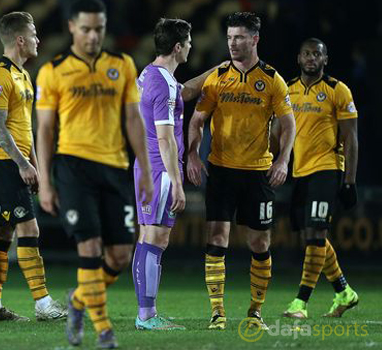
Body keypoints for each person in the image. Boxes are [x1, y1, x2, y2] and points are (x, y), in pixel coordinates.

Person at [36, 0, 153, 347]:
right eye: (86, 29)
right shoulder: (53, 71)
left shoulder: (122, 66)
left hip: (115, 168)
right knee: (89, 246)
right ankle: (103, 330)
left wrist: (145, 170)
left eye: (98, 29)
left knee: (120, 255)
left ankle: (77, 300)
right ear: (71, 27)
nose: (92, 36)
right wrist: (45, 181)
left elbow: (134, 119)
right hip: (73, 166)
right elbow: (44, 129)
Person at [187, 12, 296, 330]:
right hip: (221, 170)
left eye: (239, 38)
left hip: (258, 173)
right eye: (230, 37)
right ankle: (218, 312)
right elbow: (197, 120)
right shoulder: (217, 77)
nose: (232, 43)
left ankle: (255, 311)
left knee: (259, 244)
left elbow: (289, 124)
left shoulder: (272, 79)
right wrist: (192, 155)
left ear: (255, 40)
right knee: (217, 237)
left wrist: (283, 160)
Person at [132, 18, 223, 331]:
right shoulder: (163, 84)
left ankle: (147, 312)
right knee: (156, 238)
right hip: (160, 169)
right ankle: (147, 315)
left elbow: (183, 92)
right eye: (188, 42)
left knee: (148, 236)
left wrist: (215, 70)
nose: (191, 46)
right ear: (178, 47)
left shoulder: (149, 74)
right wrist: (178, 184)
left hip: (145, 166)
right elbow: (166, 137)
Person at [0, 11, 66, 322]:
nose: (37, 40)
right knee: (29, 227)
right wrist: (22, 163)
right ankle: (43, 303)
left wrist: (33, 163)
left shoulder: (23, 75)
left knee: (2, 232)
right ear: (20, 40)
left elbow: (23, 126)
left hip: (16, 163)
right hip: (4, 163)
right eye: (33, 35)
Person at [282, 38, 359, 319]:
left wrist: (349, 181)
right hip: (300, 172)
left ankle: (300, 303)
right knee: (311, 237)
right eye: (306, 53)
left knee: (316, 234)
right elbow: (279, 131)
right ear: (298, 58)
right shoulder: (288, 90)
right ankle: (344, 292)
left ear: (325, 59)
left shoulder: (338, 90)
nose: (311, 58)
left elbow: (351, 138)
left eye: (317, 54)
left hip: (327, 169)